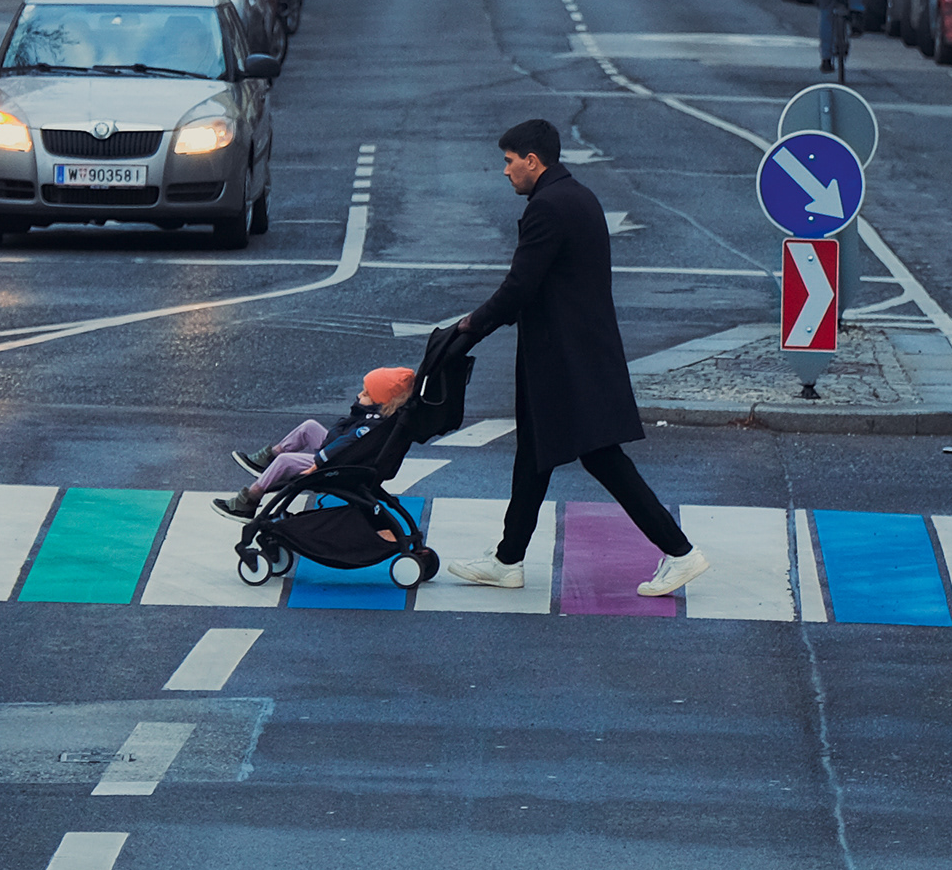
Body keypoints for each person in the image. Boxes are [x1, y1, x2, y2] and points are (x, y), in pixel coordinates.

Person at [438, 119, 708, 598]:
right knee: (534, 455)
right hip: (568, 353)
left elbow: (520, 287)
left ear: (532, 161)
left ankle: (681, 552)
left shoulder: (548, 208)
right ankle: (507, 559)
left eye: (509, 160)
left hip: (567, 359)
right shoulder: (578, 196)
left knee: (603, 457)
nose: (505, 171)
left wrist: (469, 326)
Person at [212, 366, 415, 519]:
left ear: (382, 401)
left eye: (366, 394)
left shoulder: (371, 425)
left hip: (338, 463)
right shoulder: (378, 417)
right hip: (344, 456)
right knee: (309, 427)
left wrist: (317, 463)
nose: (360, 395)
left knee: (286, 461)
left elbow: (346, 443)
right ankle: (268, 459)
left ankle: (251, 498)